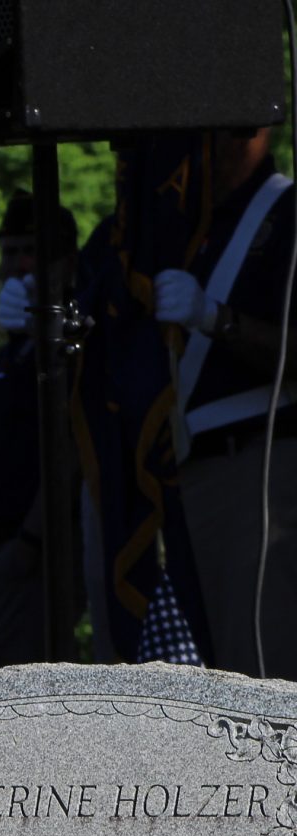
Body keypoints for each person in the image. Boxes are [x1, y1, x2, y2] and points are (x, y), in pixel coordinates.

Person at [146, 128, 297, 677]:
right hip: (200, 471)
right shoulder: (199, 225)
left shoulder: (288, 213)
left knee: (261, 666)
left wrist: (216, 318)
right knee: (215, 676)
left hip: (259, 465)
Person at [0, 191, 78, 668]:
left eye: (28, 251)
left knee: (31, 689)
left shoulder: (68, 348)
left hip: (35, 552)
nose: (16, 265)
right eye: (8, 252)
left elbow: (68, 451)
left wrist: (28, 545)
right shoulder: (14, 352)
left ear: (63, 263)